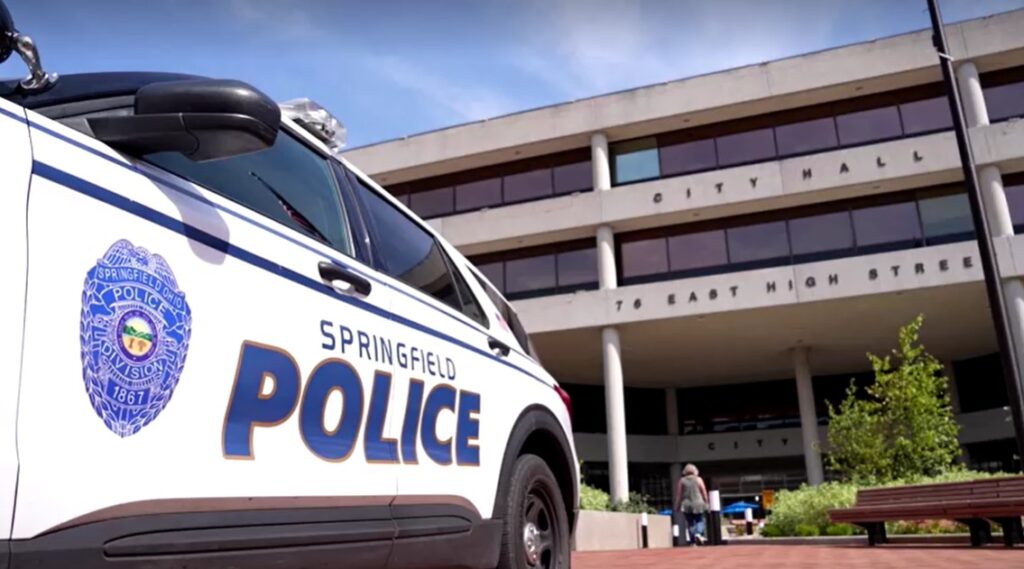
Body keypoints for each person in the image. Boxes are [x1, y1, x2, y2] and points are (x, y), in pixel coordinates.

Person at [675, 463, 710, 545]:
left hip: (686, 505)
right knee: (699, 520)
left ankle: (692, 541)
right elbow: (704, 491)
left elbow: (679, 495)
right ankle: (698, 533)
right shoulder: (698, 479)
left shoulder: (681, 481)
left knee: (690, 522)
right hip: (698, 503)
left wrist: (677, 506)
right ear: (695, 471)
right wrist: (706, 502)